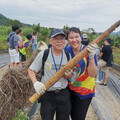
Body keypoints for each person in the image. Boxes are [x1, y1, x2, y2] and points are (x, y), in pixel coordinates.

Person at [28, 29, 72, 120]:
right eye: (56, 39)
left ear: (65, 41)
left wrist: (68, 75)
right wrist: (35, 82)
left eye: (61, 38)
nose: (59, 41)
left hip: (63, 94)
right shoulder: (44, 54)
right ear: (50, 41)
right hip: (47, 94)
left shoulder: (67, 56)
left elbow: (70, 76)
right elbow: (31, 70)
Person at [65, 27, 98, 120]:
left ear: (81, 38)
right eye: (71, 37)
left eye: (76, 37)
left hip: (85, 90)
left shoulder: (88, 51)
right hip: (70, 88)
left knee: (78, 117)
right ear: (68, 39)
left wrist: (91, 57)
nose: (74, 40)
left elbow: (92, 74)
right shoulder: (67, 50)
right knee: (69, 113)